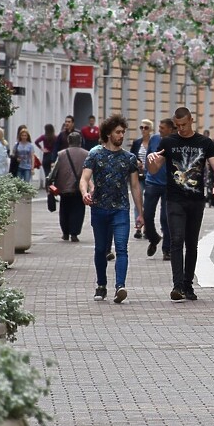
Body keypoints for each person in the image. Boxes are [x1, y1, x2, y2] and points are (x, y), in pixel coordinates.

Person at [147, 107, 214, 301]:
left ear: (191, 120)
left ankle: (189, 285)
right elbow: (155, 169)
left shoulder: (204, 142)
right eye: (177, 125)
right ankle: (177, 286)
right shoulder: (169, 142)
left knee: (191, 244)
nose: (180, 129)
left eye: (183, 124)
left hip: (196, 200)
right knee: (176, 240)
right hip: (174, 199)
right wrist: (151, 160)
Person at [80, 115, 143, 304]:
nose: (121, 135)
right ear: (108, 133)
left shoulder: (129, 158)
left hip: (121, 210)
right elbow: (84, 178)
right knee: (100, 249)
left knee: (122, 248)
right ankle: (101, 285)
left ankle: (120, 286)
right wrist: (84, 193)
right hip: (99, 208)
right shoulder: (95, 154)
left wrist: (140, 213)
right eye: (118, 132)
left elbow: (134, 186)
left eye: (123, 132)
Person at [143, 118, 174, 260]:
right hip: (152, 182)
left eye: (162, 127)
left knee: (165, 218)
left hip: (168, 185)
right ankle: (154, 238)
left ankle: (167, 249)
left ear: (171, 129)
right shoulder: (154, 139)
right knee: (147, 215)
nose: (159, 129)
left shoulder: (175, 142)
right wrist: (146, 171)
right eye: (159, 127)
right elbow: (149, 157)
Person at [49, 132, 89, 243]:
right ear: (80, 141)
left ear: (68, 141)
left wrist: (50, 180)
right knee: (78, 211)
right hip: (80, 188)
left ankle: (65, 232)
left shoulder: (62, 154)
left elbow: (55, 170)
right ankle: (74, 233)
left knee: (64, 210)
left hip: (64, 187)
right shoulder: (86, 154)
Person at [130, 119, 153, 239]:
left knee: (148, 203)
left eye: (146, 128)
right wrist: (137, 162)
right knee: (138, 201)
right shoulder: (137, 142)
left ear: (150, 130)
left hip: (150, 176)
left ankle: (147, 228)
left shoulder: (154, 143)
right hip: (139, 176)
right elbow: (131, 156)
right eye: (141, 127)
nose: (143, 130)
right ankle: (138, 226)